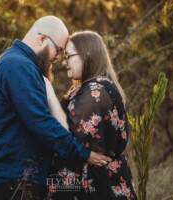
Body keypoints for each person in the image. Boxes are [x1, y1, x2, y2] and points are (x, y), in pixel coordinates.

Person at [0, 16, 111, 200]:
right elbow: (41, 123)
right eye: (59, 50)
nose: (58, 58)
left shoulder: (15, 62)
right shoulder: (20, 66)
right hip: (13, 178)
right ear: (42, 39)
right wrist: (85, 154)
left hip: (11, 177)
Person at [46, 30, 138, 199]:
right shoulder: (93, 87)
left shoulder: (96, 91)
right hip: (95, 179)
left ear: (86, 54)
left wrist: (48, 93)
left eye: (68, 56)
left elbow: (63, 133)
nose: (64, 63)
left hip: (94, 184)